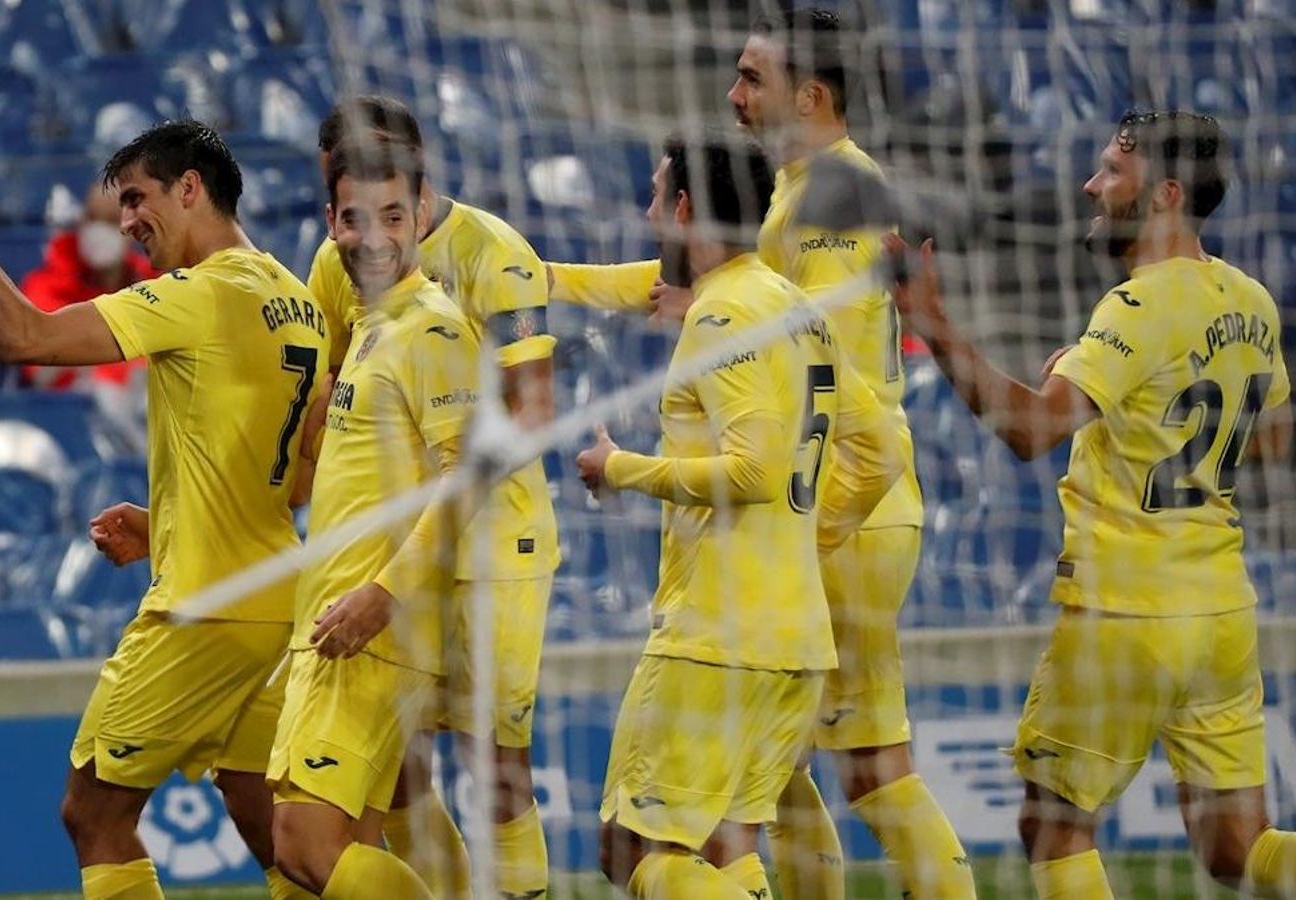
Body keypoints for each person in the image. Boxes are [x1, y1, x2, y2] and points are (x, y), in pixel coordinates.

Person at [884, 109, 1296, 900]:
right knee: (1237, 846)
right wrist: (1141, 408)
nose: (1093, 186)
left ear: (1164, 194)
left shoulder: (1132, 309)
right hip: (1220, 615)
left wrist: (933, 323)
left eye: (1111, 173)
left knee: (1054, 827)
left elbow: (1030, 431)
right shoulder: (1251, 300)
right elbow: (1271, 437)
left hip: (1126, 610)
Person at [552, 9, 973, 899]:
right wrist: (543, 279)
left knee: (871, 766)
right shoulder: (790, 191)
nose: (733, 95)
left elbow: (795, 333)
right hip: (825, 481)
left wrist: (710, 327)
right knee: (769, 778)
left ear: (810, 95)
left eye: (752, 79)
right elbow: (711, 287)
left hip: (833, 502)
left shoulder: (836, 194)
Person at [0, 119, 332, 900]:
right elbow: (296, 478)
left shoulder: (200, 292)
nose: (126, 222)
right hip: (275, 601)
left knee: (95, 816)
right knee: (271, 826)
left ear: (192, 188)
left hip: (206, 609)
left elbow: (22, 337)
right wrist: (167, 522)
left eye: (140, 198)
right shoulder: (297, 300)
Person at [574, 132, 900, 900]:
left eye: (658, 196)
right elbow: (882, 452)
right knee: (727, 851)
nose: (650, 212)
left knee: (629, 849)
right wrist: (800, 541)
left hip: (716, 639)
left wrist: (621, 469)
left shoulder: (720, 316)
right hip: (794, 637)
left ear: (686, 208)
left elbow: (753, 471)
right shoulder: (798, 309)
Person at [308, 95, 559, 900]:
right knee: (399, 763)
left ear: (420, 180)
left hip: (495, 542)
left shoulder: (494, 250)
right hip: (397, 547)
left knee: (493, 758)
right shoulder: (333, 260)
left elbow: (532, 408)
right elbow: (326, 402)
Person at [266, 140, 479, 900]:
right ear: (331, 223)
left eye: (395, 214)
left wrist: (382, 594)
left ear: (421, 215)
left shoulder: (433, 328)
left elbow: (469, 480)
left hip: (373, 626)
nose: (377, 235)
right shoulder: (369, 328)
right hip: (340, 619)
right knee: (328, 855)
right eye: (357, 219)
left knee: (303, 841)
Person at [20, 180, 155, 441]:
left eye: (111, 220)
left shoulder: (154, 286)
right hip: (70, 427)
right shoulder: (45, 287)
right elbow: (44, 370)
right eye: (92, 218)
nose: (99, 230)